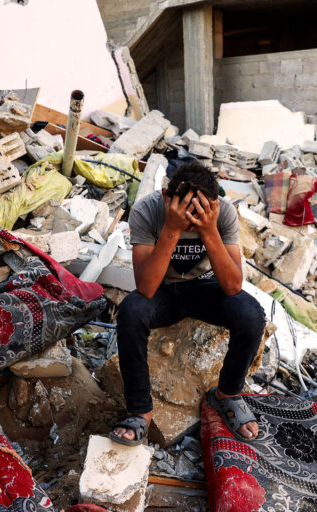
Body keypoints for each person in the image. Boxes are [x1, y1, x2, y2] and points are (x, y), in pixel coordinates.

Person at [109, 161, 266, 446]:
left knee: (252, 315)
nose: (193, 217)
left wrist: (208, 231)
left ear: (214, 204)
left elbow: (232, 286)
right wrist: (172, 228)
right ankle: (140, 411)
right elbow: (145, 287)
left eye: (202, 210)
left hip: (208, 289)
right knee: (131, 312)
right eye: (186, 209)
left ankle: (227, 394)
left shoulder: (224, 214)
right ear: (167, 196)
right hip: (164, 291)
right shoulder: (148, 210)